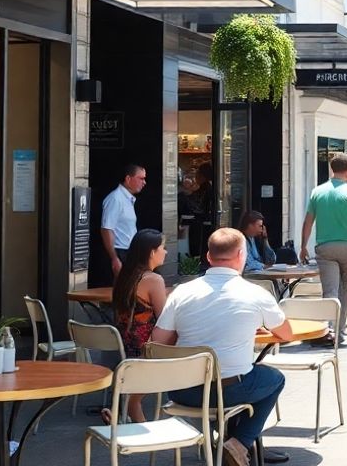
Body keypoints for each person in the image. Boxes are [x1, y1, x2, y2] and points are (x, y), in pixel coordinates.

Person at [152, 228, 293, 466]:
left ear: (208, 257)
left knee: (237, 380)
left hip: (183, 391)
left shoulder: (181, 292)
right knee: (274, 379)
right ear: (241, 256)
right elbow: (286, 333)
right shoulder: (256, 294)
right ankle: (239, 443)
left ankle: (225, 441)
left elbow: (157, 341)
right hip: (229, 390)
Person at [300, 155, 347, 344]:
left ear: (332, 169)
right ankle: (338, 332)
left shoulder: (318, 192)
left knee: (329, 291)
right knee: (344, 291)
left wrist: (303, 246)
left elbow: (308, 221)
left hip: (325, 247)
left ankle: (328, 330)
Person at [111, 228, 168, 423]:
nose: (166, 252)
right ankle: (132, 407)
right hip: (147, 349)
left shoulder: (125, 276)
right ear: (152, 252)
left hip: (127, 345)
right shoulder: (154, 280)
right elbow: (165, 318)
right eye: (163, 247)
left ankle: (126, 409)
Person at [101, 163, 146, 277]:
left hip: (129, 252)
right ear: (128, 178)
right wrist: (114, 258)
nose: (144, 182)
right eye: (141, 178)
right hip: (120, 252)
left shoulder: (127, 199)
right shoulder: (116, 198)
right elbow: (107, 229)